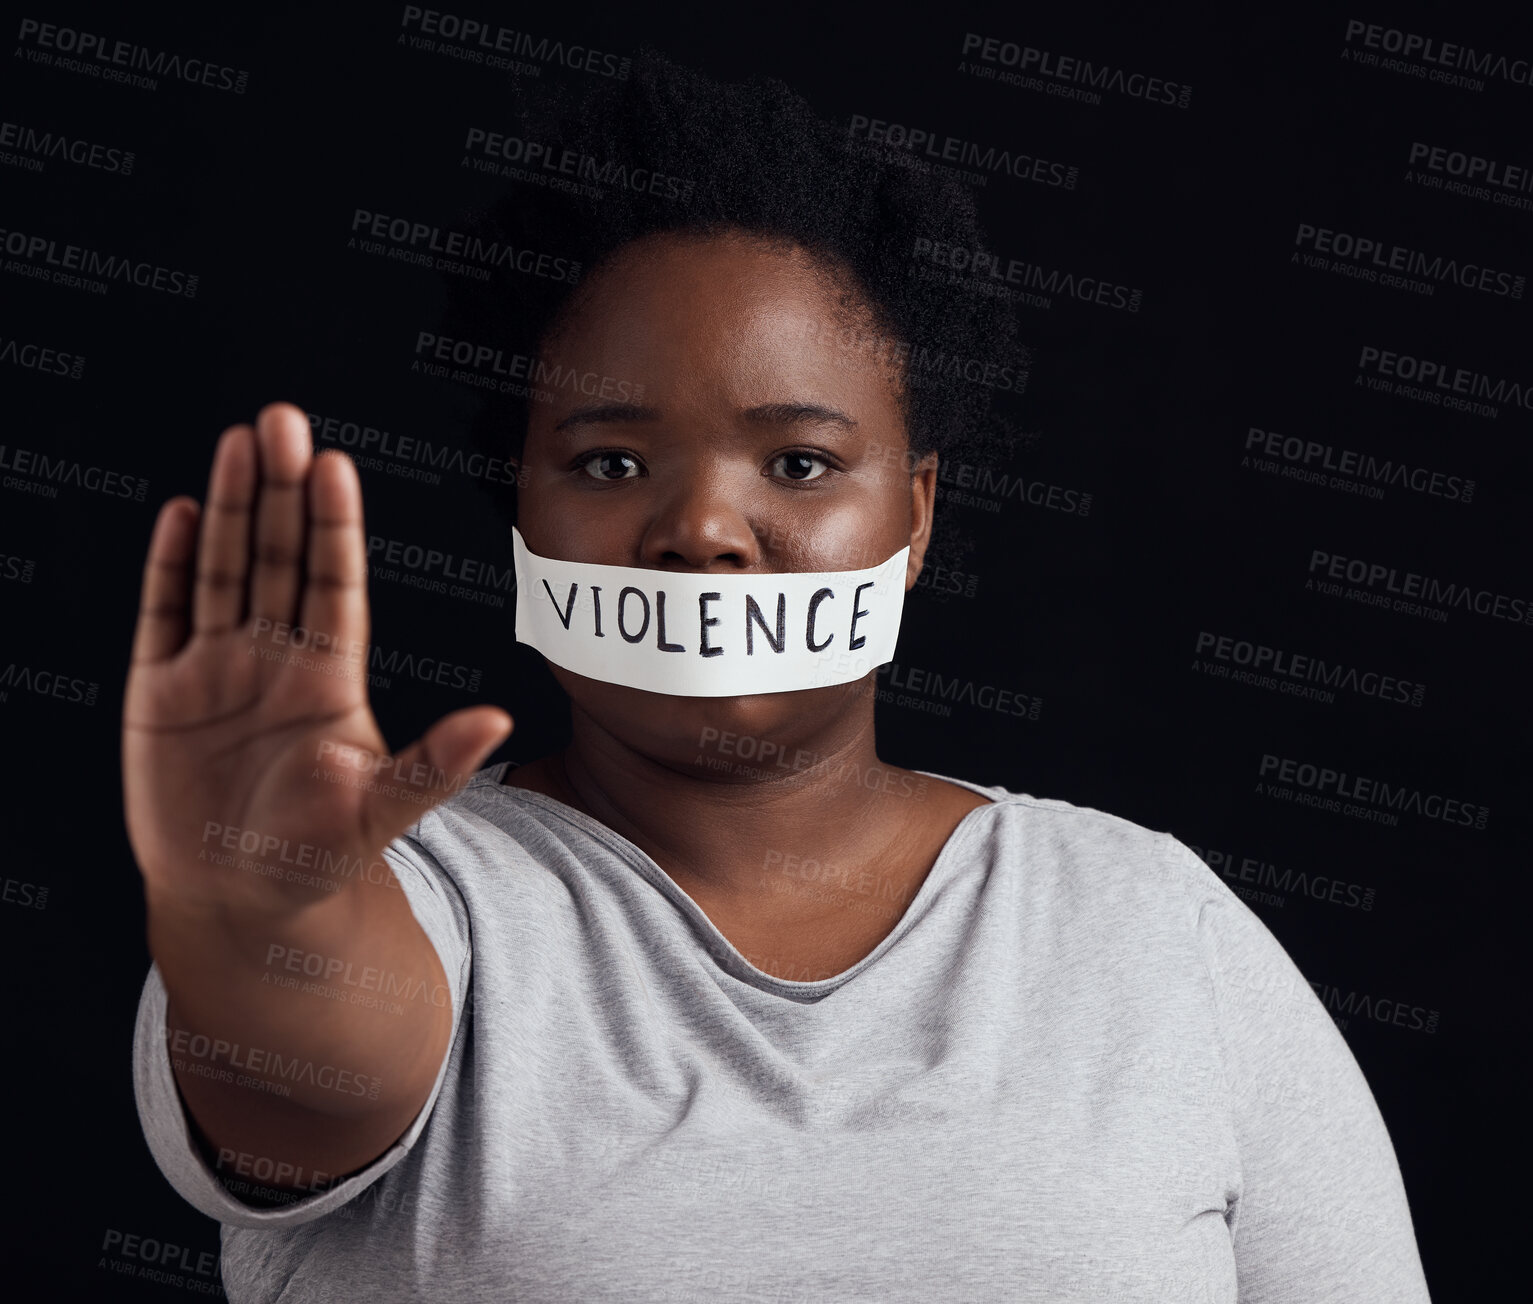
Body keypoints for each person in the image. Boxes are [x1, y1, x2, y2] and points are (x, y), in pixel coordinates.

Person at [127, 54, 1433, 1303]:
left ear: (913, 520)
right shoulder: (417, 899)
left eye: (799, 464)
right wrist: (267, 930)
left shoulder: (1148, 925)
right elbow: (307, 1069)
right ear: (520, 512)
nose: (702, 526)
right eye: (609, 464)